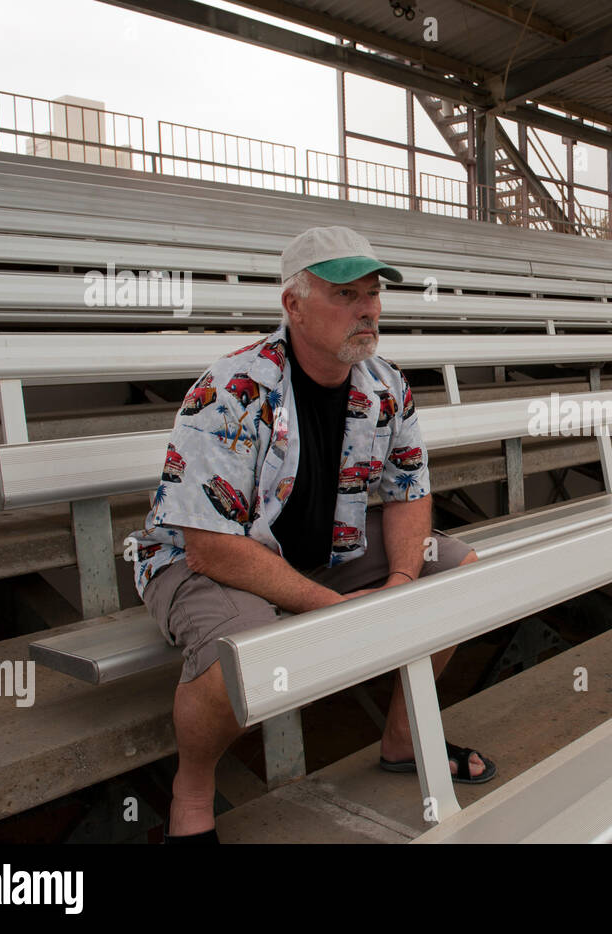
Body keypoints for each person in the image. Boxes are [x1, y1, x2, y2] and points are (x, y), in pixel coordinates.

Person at [129, 226, 494, 844]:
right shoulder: (230, 388)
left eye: (373, 293)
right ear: (293, 305)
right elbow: (209, 544)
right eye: (345, 293)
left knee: (454, 572)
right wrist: (335, 611)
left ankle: (405, 738)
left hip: (326, 551)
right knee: (240, 649)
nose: (368, 308)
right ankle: (190, 796)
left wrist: (403, 581)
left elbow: (410, 492)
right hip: (202, 559)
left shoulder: (387, 386)